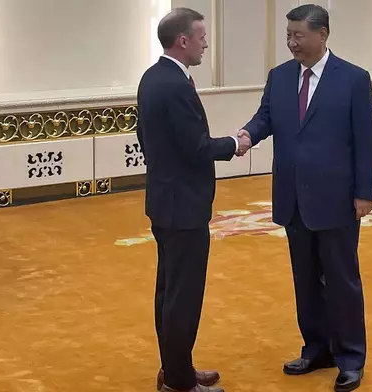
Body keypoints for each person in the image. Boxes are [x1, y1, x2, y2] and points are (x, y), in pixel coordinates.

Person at [237, 4, 372, 391]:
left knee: (342, 280)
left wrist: (365, 192)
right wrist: (247, 135)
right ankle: (317, 349)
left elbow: (366, 141)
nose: (292, 43)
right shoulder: (279, 77)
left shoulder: (353, 79)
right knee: (305, 281)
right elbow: (265, 116)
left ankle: (350, 357)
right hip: (293, 198)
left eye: (299, 35)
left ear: (323, 35)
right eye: (289, 36)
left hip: (338, 200)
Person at [136, 7, 251, 392]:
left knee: (169, 291)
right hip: (183, 207)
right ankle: (181, 382)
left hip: (164, 200)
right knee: (182, 297)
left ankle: (175, 368)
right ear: (183, 41)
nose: (206, 44)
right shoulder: (174, 85)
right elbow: (196, 147)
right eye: (202, 37)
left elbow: (149, 140)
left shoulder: (153, 78)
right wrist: (235, 144)